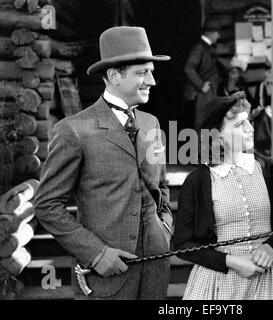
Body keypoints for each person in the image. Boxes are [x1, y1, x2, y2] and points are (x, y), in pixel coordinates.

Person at [34, 27, 173, 300]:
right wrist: (96, 254)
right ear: (114, 76)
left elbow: (162, 184)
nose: (152, 81)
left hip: (157, 268)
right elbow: (47, 206)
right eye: (142, 72)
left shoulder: (151, 124)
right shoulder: (73, 130)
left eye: (151, 72)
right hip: (106, 277)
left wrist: (164, 227)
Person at [173, 91, 273, 300]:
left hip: (265, 281)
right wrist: (231, 261)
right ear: (218, 136)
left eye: (248, 122)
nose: (251, 129)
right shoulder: (199, 180)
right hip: (217, 283)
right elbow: (183, 245)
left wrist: (270, 247)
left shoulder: (268, 169)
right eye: (240, 125)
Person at [184, 22, 222, 130]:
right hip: (203, 93)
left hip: (210, 91)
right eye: (217, 33)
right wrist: (201, 86)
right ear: (211, 33)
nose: (218, 36)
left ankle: (209, 146)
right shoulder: (199, 48)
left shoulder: (207, 47)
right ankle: (203, 147)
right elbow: (188, 68)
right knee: (203, 120)